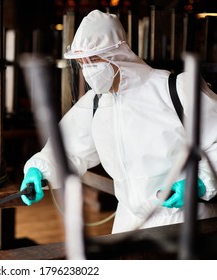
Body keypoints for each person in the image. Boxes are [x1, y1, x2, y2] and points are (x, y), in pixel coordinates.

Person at [19, 9, 217, 233]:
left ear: (118, 54)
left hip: (183, 218)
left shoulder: (175, 90)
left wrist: (200, 181)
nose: (88, 69)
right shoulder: (94, 103)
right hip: (129, 220)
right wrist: (39, 170)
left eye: (94, 59)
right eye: (82, 62)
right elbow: (67, 149)